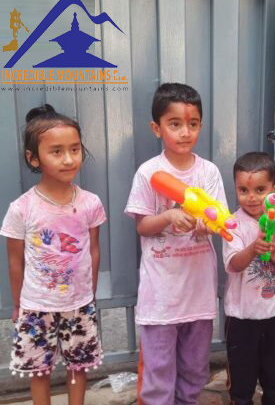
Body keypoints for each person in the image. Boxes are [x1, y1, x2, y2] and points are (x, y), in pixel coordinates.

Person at [124, 83, 226, 404]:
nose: (185, 132)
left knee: (195, 368)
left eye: (192, 124)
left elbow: (218, 220)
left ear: (201, 126)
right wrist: (169, 217)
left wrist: (205, 224)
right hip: (161, 295)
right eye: (175, 124)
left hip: (198, 291)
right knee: (159, 370)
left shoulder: (208, 172)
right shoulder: (149, 172)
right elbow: (143, 226)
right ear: (157, 128)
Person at [3, 104, 105, 405]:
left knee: (78, 365)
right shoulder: (22, 208)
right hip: (37, 305)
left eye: (75, 149)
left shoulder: (90, 204)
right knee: (39, 369)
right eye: (57, 151)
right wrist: (19, 303)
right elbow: (14, 260)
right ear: (33, 158)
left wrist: (90, 294)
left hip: (79, 303)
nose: (69, 159)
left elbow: (94, 251)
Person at [222, 152, 275, 404]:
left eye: (260, 189)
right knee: (242, 384)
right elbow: (233, 264)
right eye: (243, 190)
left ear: (274, 190)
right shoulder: (232, 225)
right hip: (242, 319)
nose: (252, 197)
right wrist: (252, 249)